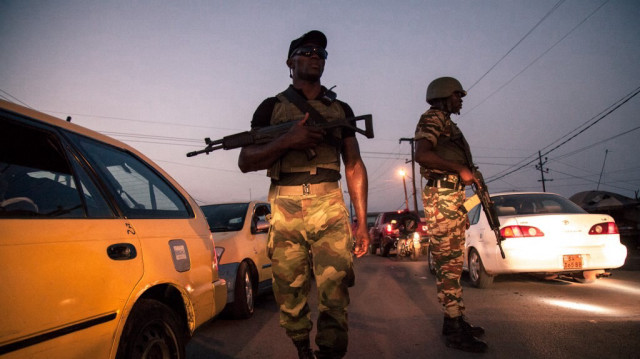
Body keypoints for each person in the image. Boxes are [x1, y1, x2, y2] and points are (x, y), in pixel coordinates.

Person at [238, 30, 370, 359]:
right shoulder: (271, 108)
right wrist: (287, 142)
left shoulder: (340, 108)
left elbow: (353, 166)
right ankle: (301, 348)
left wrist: (363, 222)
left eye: (321, 53)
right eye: (306, 50)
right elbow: (245, 161)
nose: (315, 56)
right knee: (288, 287)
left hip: (329, 201)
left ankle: (330, 352)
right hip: (283, 204)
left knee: (335, 288)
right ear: (290, 61)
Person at [414, 76, 488, 353]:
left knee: (454, 264)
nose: (461, 100)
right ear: (444, 95)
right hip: (443, 196)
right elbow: (422, 154)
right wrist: (459, 169)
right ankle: (454, 329)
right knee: (448, 265)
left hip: (450, 198)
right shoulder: (433, 118)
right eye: (457, 95)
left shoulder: (446, 122)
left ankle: (455, 320)